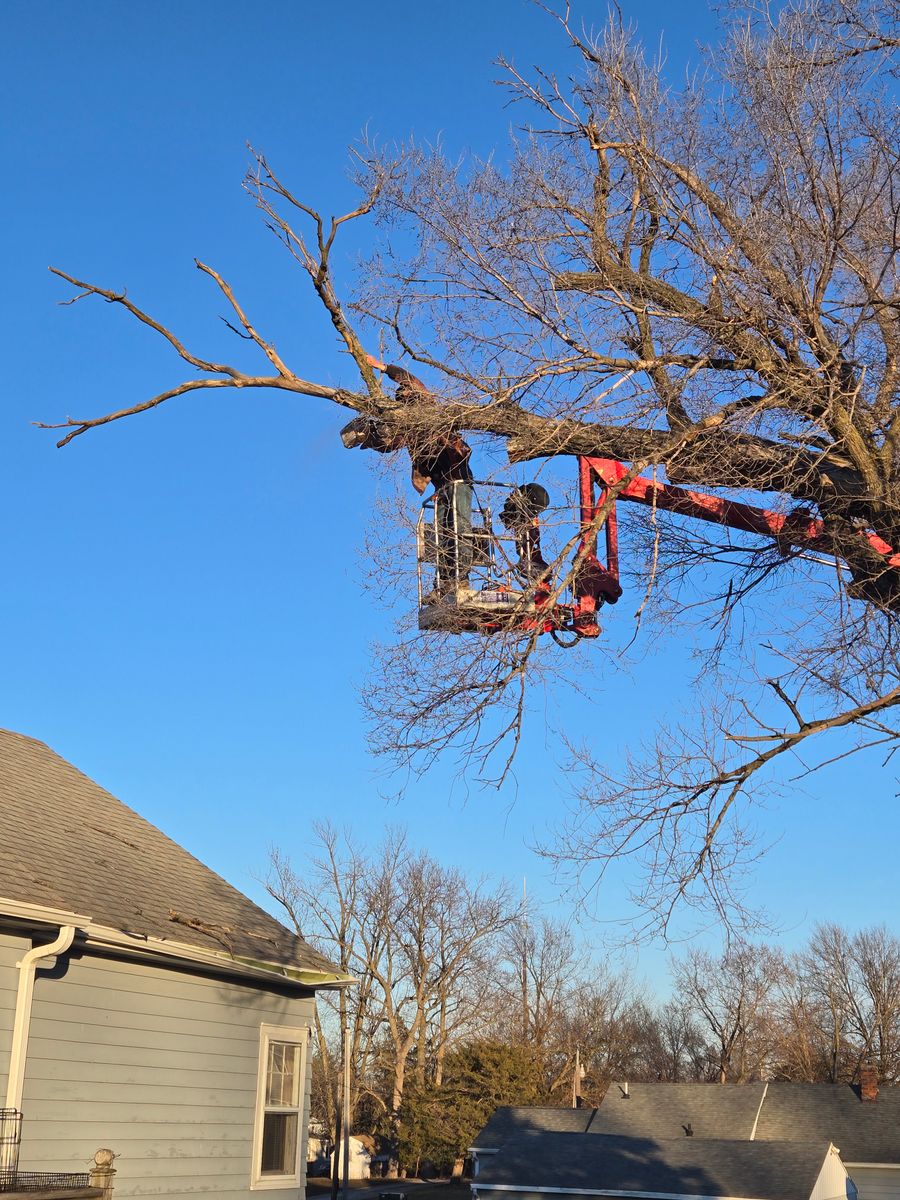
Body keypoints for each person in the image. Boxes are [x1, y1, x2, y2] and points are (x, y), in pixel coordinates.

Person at [365, 356, 474, 594]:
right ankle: (443, 583)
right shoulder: (410, 432)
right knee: (443, 534)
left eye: (405, 399)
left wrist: (382, 367)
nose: (403, 404)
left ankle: (461, 579)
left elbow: (412, 381)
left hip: (458, 479)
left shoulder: (428, 410)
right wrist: (369, 436)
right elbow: (389, 444)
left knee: (459, 529)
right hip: (442, 486)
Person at [500, 483, 551, 580]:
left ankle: (530, 561)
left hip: (532, 559)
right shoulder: (524, 520)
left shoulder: (532, 522)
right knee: (528, 532)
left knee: (532, 531)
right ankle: (528, 561)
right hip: (528, 559)